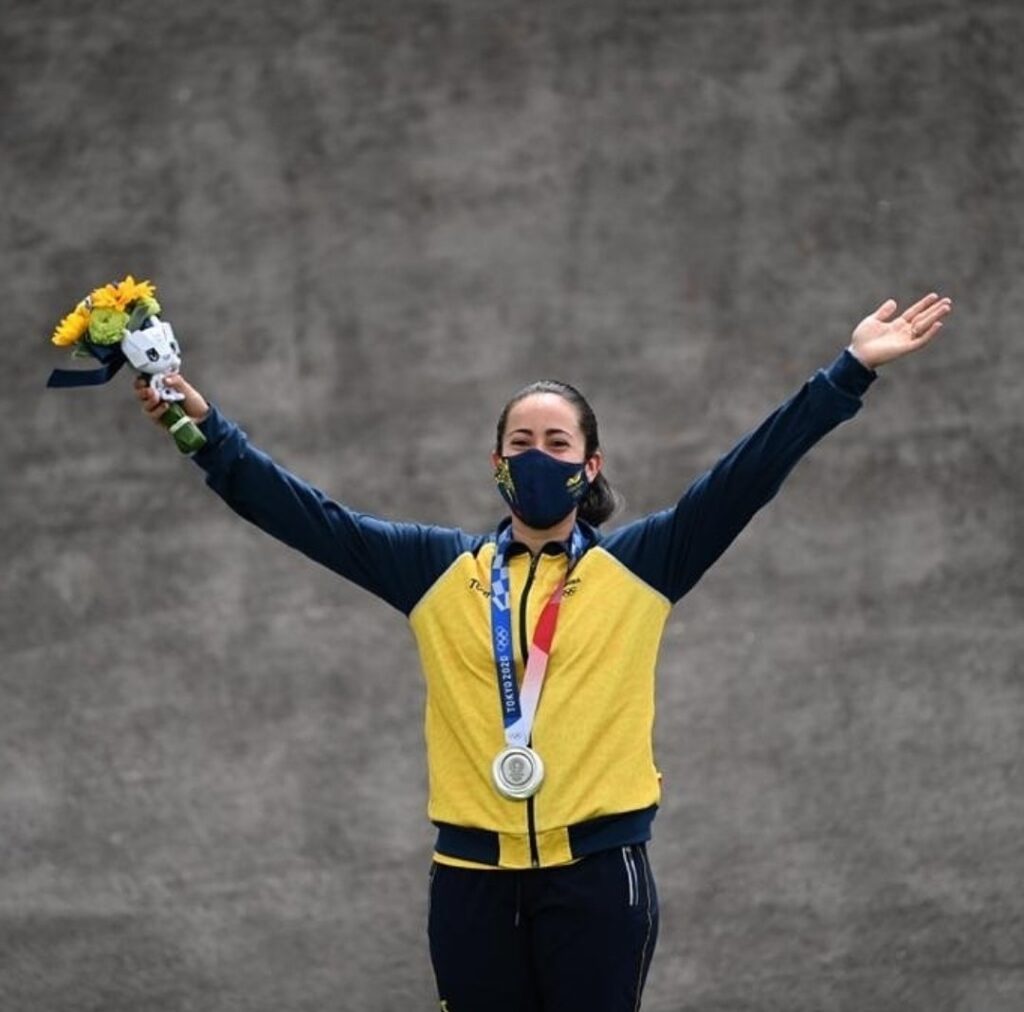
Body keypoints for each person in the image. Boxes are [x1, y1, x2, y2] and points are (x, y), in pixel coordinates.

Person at [135, 292, 951, 1011]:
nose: (537, 455)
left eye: (557, 443)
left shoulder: (642, 567)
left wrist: (847, 372)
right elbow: (305, 516)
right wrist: (202, 432)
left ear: (589, 466)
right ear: (497, 464)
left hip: (599, 878)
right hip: (471, 883)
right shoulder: (434, 570)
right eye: (521, 441)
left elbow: (748, 475)